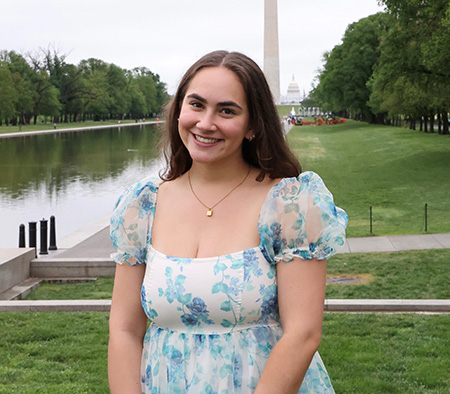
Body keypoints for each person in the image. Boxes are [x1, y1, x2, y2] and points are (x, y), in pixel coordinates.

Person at [108, 50, 348, 394]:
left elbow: (303, 334)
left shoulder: (289, 204)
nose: (206, 123)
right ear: (178, 110)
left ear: (252, 125)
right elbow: (124, 330)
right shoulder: (142, 206)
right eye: (196, 104)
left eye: (227, 110)